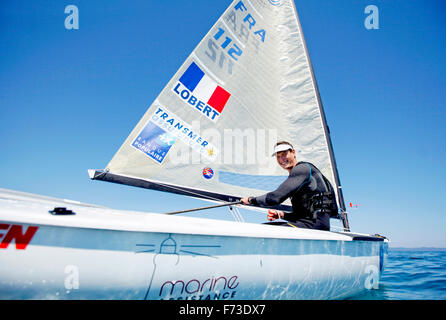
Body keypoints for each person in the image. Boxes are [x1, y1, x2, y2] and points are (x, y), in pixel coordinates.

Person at [240, 141, 337, 231]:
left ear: (293, 152)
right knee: (262, 228)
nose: (281, 159)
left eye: (284, 154)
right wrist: (281, 215)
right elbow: (304, 215)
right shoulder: (300, 175)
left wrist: (250, 200)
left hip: (313, 228)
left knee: (258, 230)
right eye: (278, 156)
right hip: (312, 226)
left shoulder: (302, 169)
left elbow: (274, 198)